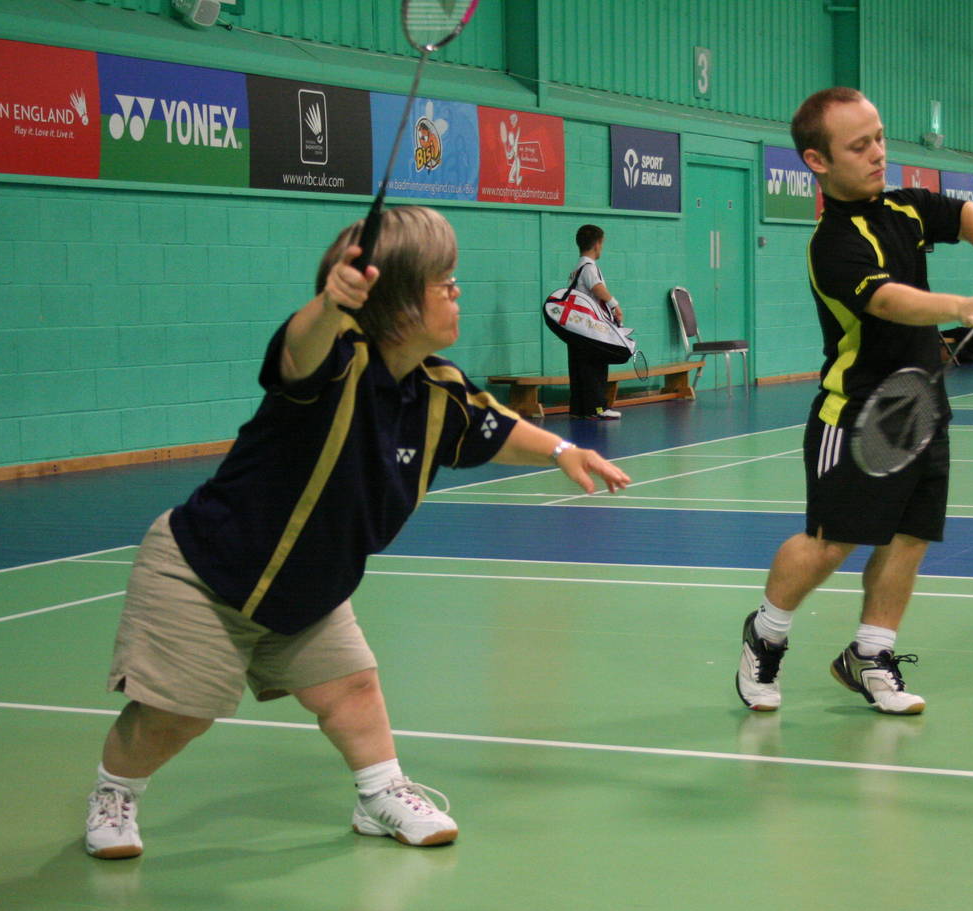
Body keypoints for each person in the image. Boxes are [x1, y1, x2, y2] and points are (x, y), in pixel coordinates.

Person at [83, 207, 631, 860]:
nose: (457, 292)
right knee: (180, 716)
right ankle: (115, 790)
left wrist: (561, 452)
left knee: (353, 689)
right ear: (396, 302)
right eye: (444, 282)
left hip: (309, 585)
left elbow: (493, 427)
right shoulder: (333, 366)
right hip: (208, 573)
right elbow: (297, 349)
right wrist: (329, 303)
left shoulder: (437, 391)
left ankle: (379, 795)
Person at [734, 87, 973, 715]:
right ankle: (767, 633)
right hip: (859, 410)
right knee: (830, 542)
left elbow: (969, 216)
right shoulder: (832, 244)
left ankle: (870, 653)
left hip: (920, 403)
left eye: (880, 137)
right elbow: (888, 298)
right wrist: (960, 306)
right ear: (817, 161)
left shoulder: (903, 207)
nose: (878, 154)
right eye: (859, 145)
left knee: (909, 537)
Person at [566, 224, 624, 420]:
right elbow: (597, 288)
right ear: (597, 244)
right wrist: (615, 305)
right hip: (589, 330)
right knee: (595, 367)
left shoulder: (576, 268)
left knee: (579, 368)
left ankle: (579, 409)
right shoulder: (589, 268)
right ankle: (598, 408)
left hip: (576, 329)